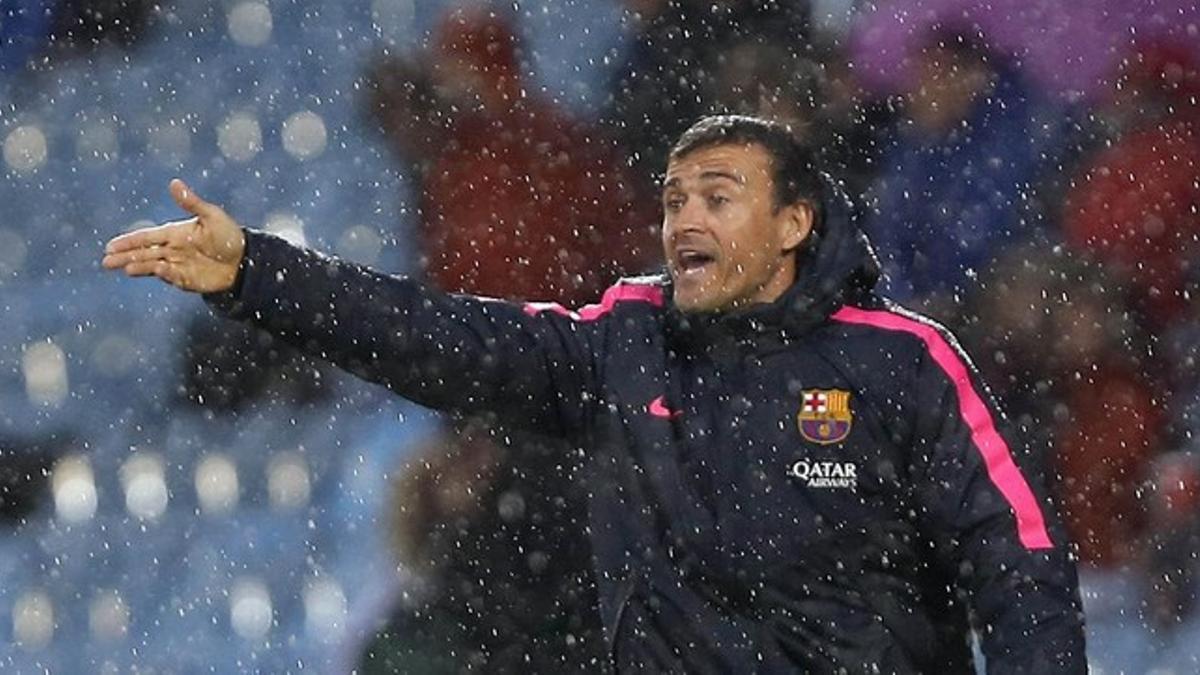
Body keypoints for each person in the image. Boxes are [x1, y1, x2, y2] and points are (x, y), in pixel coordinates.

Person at [101, 115, 1086, 672]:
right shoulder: (621, 349)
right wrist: (258, 276)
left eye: (717, 196)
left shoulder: (905, 364)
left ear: (793, 223)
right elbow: (431, 337)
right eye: (672, 199)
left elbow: (1018, 558)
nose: (684, 220)